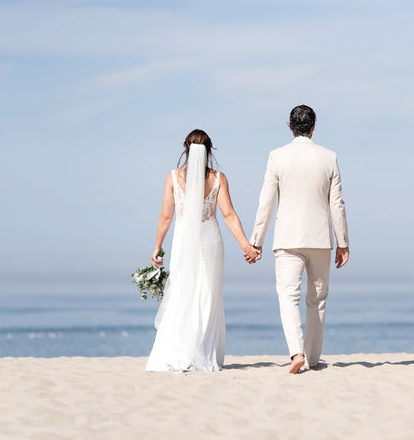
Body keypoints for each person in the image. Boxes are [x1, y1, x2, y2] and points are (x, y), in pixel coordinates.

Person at [146, 129, 261, 371]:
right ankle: (203, 351)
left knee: (182, 290)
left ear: (186, 149)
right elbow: (229, 215)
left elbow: (166, 216)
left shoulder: (172, 177)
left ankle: (180, 349)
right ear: (209, 151)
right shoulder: (219, 178)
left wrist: (157, 246)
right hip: (210, 239)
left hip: (182, 240)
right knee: (208, 292)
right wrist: (246, 246)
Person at [250, 105, 350, 374]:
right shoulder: (329, 157)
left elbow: (266, 202)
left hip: (287, 237)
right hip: (320, 238)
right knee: (317, 300)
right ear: (314, 127)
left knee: (287, 297)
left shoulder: (277, 156)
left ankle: (296, 352)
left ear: (290, 127)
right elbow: (337, 204)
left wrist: (256, 240)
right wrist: (343, 242)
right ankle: (313, 359)